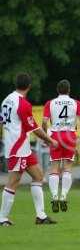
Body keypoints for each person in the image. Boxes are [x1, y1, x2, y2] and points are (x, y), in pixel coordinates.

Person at [0, 73, 58, 226]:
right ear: (29, 86)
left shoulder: (7, 100)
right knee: (13, 181)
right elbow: (34, 128)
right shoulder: (23, 104)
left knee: (38, 175)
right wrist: (51, 140)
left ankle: (41, 216)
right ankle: (2, 219)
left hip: (20, 146)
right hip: (17, 147)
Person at [42, 79, 80, 213]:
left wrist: (45, 136)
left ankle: (54, 196)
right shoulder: (75, 103)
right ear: (69, 90)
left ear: (57, 90)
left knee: (54, 167)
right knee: (67, 167)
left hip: (55, 135)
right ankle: (63, 196)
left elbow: (44, 121)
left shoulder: (50, 103)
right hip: (70, 136)